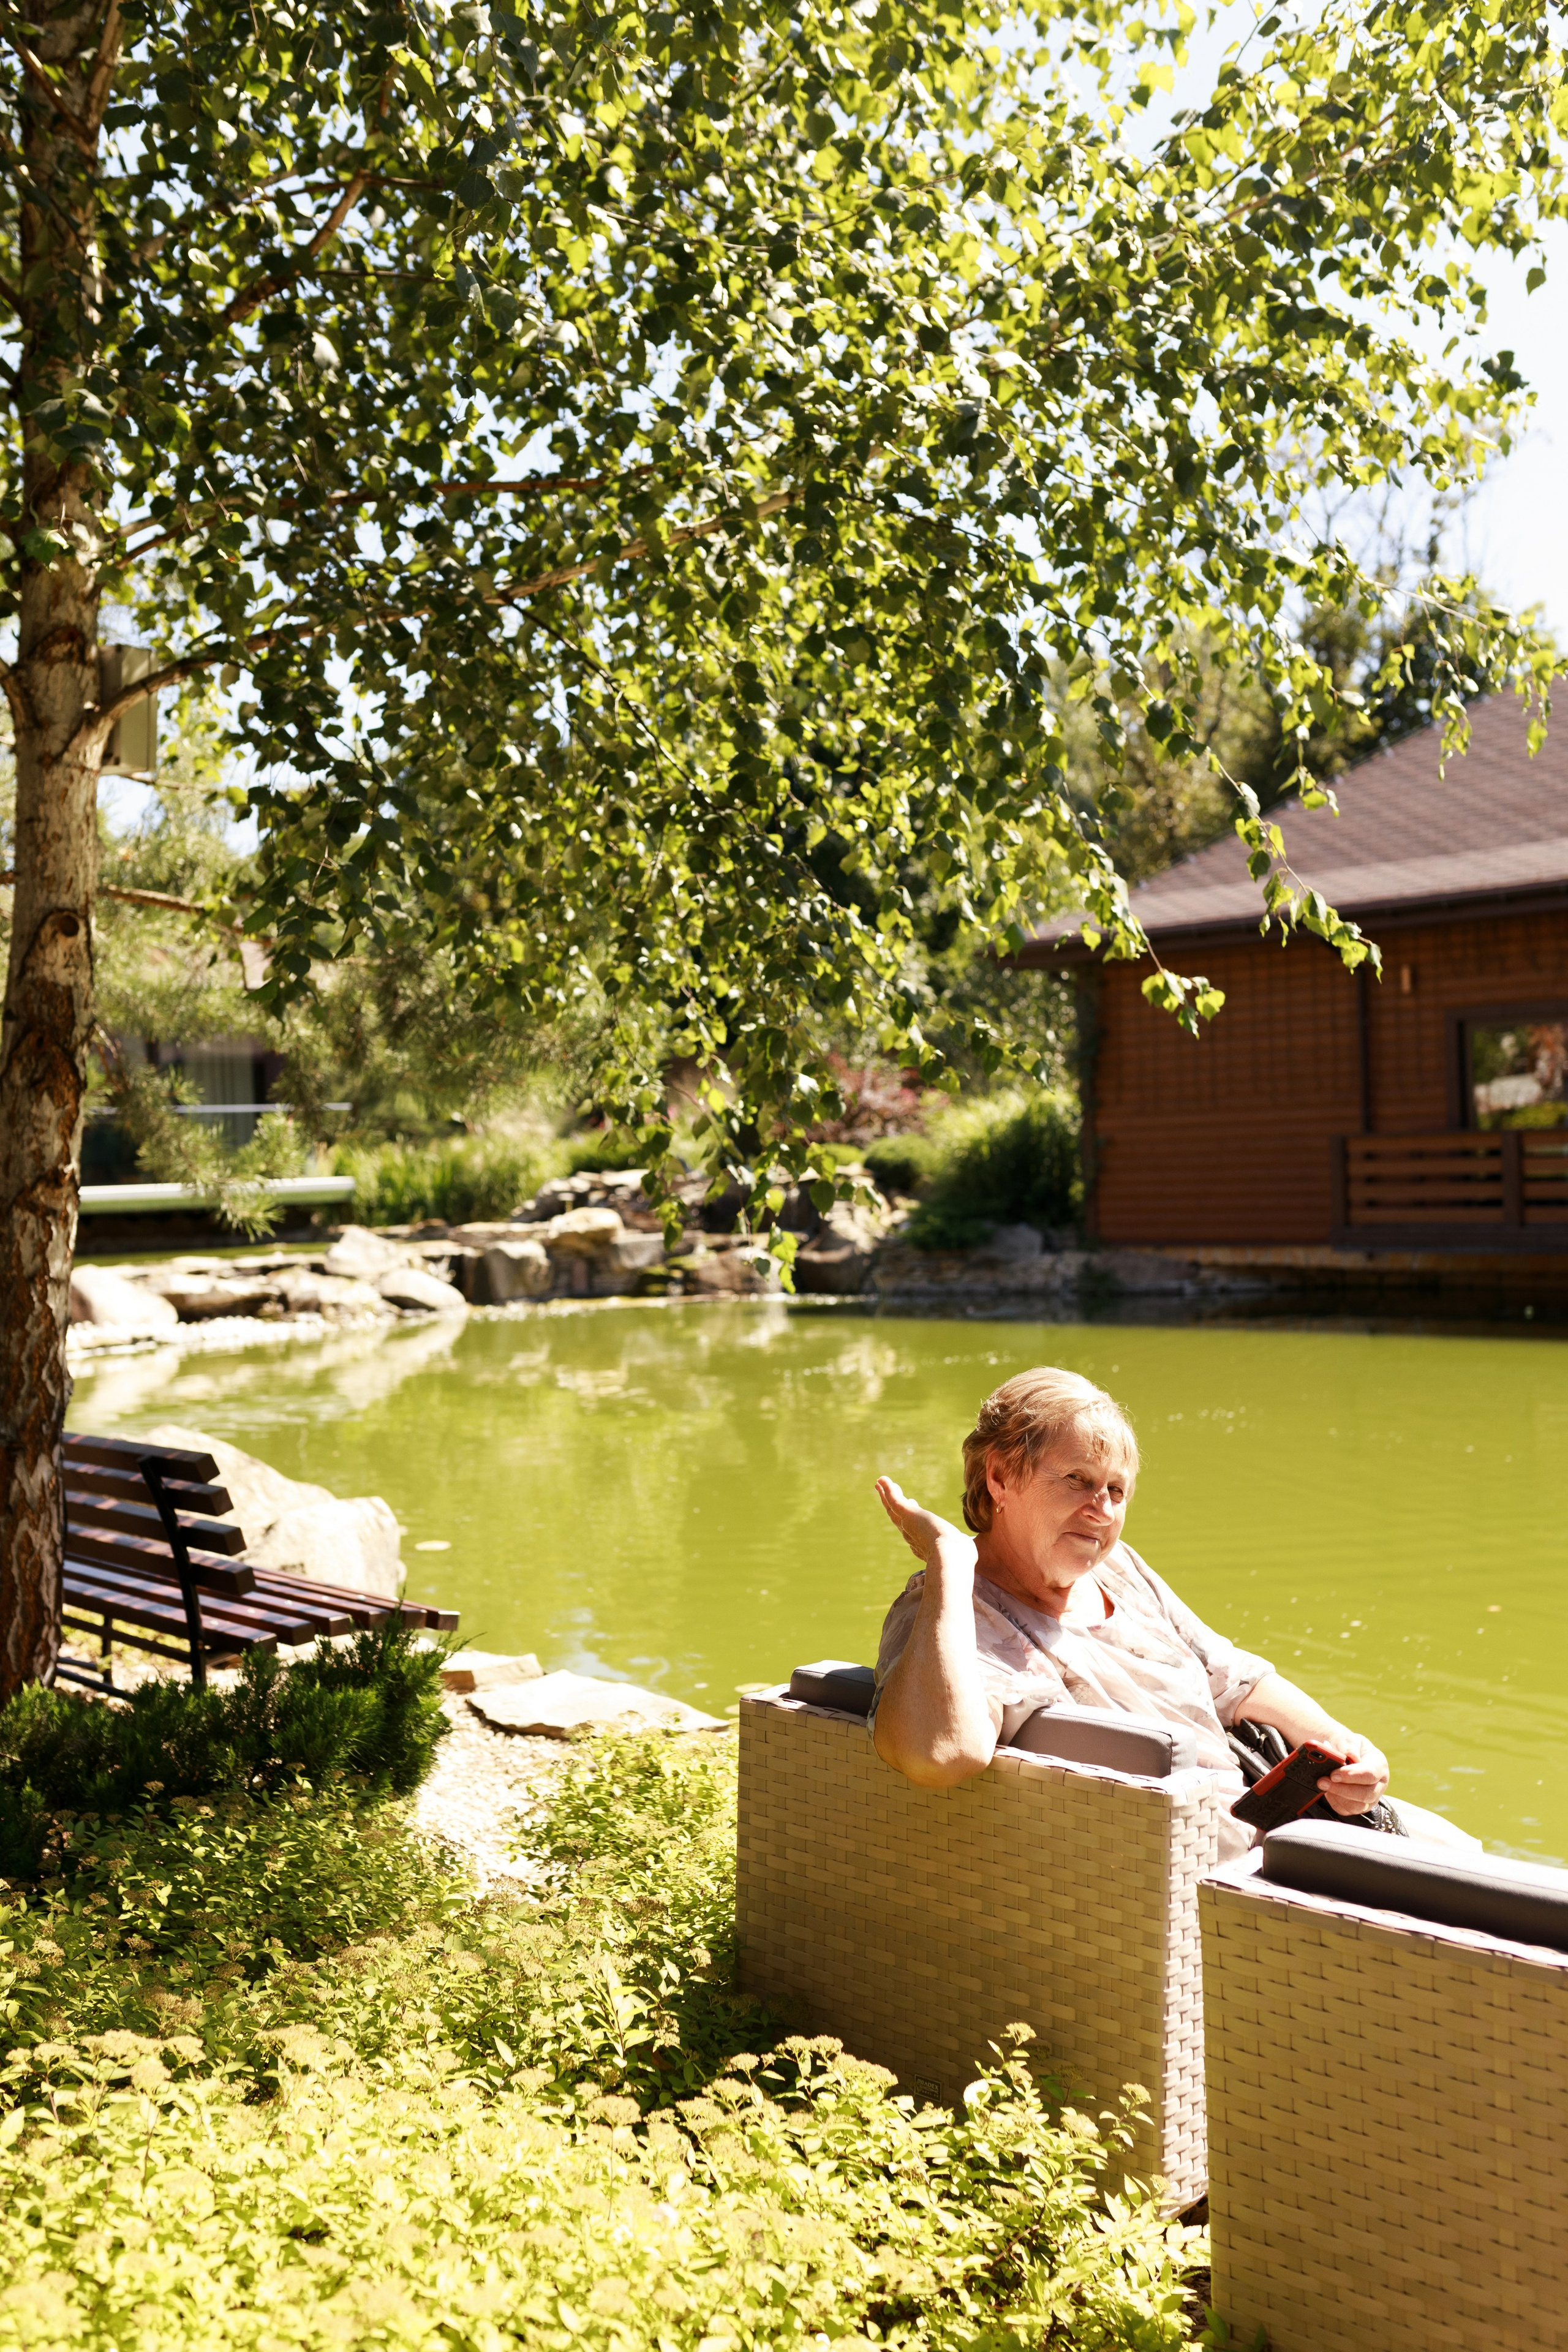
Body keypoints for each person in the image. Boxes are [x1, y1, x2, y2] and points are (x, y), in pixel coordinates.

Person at [871, 1365, 1472, 1860]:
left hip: (1278, 1827)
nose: (1103, 1510)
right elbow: (939, 1753)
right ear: (1000, 1477)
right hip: (1210, 1882)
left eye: (1116, 1490)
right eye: (1077, 1480)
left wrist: (1345, 1748)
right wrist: (950, 1562)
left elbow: (1230, 1675)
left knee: (1464, 1853)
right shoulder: (952, 1613)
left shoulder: (1118, 1570)